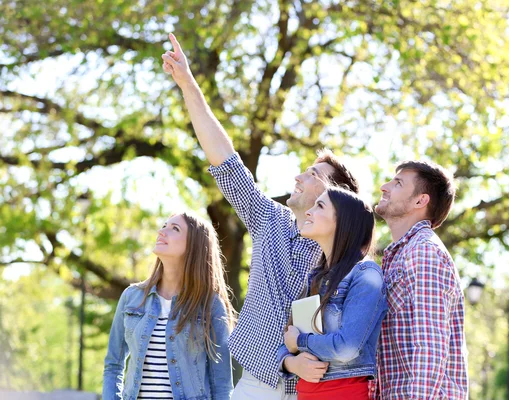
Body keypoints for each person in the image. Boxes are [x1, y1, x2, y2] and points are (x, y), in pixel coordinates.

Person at [161, 34, 360, 399]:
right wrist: (188, 84)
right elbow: (224, 158)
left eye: (313, 175)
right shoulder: (271, 220)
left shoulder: (349, 262)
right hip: (258, 387)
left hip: (315, 390)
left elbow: (349, 341)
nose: (298, 177)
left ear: (337, 197)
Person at [103, 213, 236, 400]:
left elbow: (221, 384)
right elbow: (113, 365)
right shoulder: (131, 297)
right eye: (164, 225)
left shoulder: (210, 305)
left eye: (175, 229)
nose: (162, 231)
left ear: (193, 246)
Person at [277, 187, 387, 399]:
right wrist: (290, 362)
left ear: (343, 221)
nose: (309, 211)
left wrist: (300, 342)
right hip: (307, 392)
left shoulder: (366, 274)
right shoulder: (315, 277)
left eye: (320, 206)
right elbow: (288, 340)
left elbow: (347, 347)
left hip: (344, 392)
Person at [372, 161, 468, 399]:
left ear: (419, 201)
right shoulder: (400, 254)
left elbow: (429, 348)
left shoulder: (423, 251)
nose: (384, 187)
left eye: (397, 183)